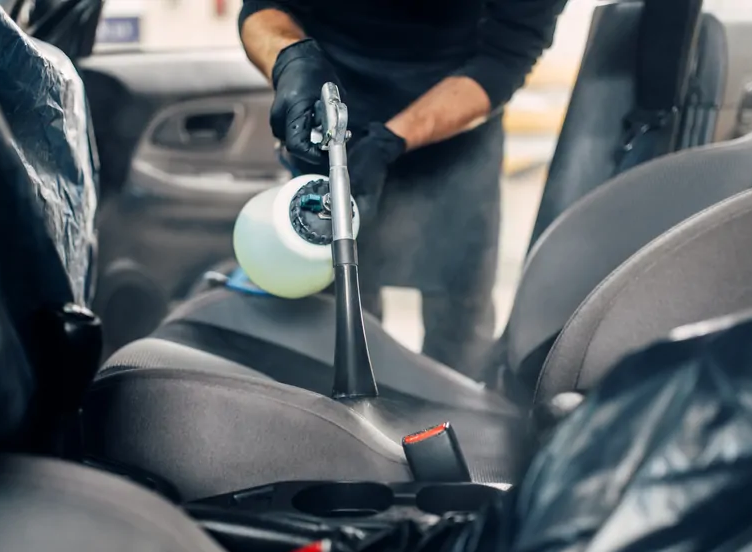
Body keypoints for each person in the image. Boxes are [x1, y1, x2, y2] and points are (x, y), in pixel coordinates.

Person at [238, 0, 568, 378]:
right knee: (338, 316)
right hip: (327, 113)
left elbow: (506, 54)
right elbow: (264, 6)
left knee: (460, 322)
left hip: (457, 119)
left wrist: (390, 140)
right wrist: (292, 59)